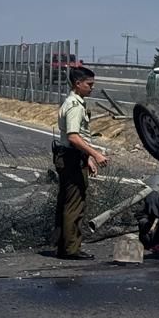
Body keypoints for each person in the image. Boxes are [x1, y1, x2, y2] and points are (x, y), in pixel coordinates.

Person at [53, 66, 108, 259]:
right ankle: (71, 249)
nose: (91, 88)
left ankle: (64, 245)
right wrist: (96, 154)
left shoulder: (74, 102)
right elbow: (74, 137)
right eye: (89, 84)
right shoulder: (75, 106)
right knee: (74, 205)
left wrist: (88, 159)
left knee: (68, 202)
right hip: (71, 158)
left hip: (73, 156)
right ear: (78, 84)